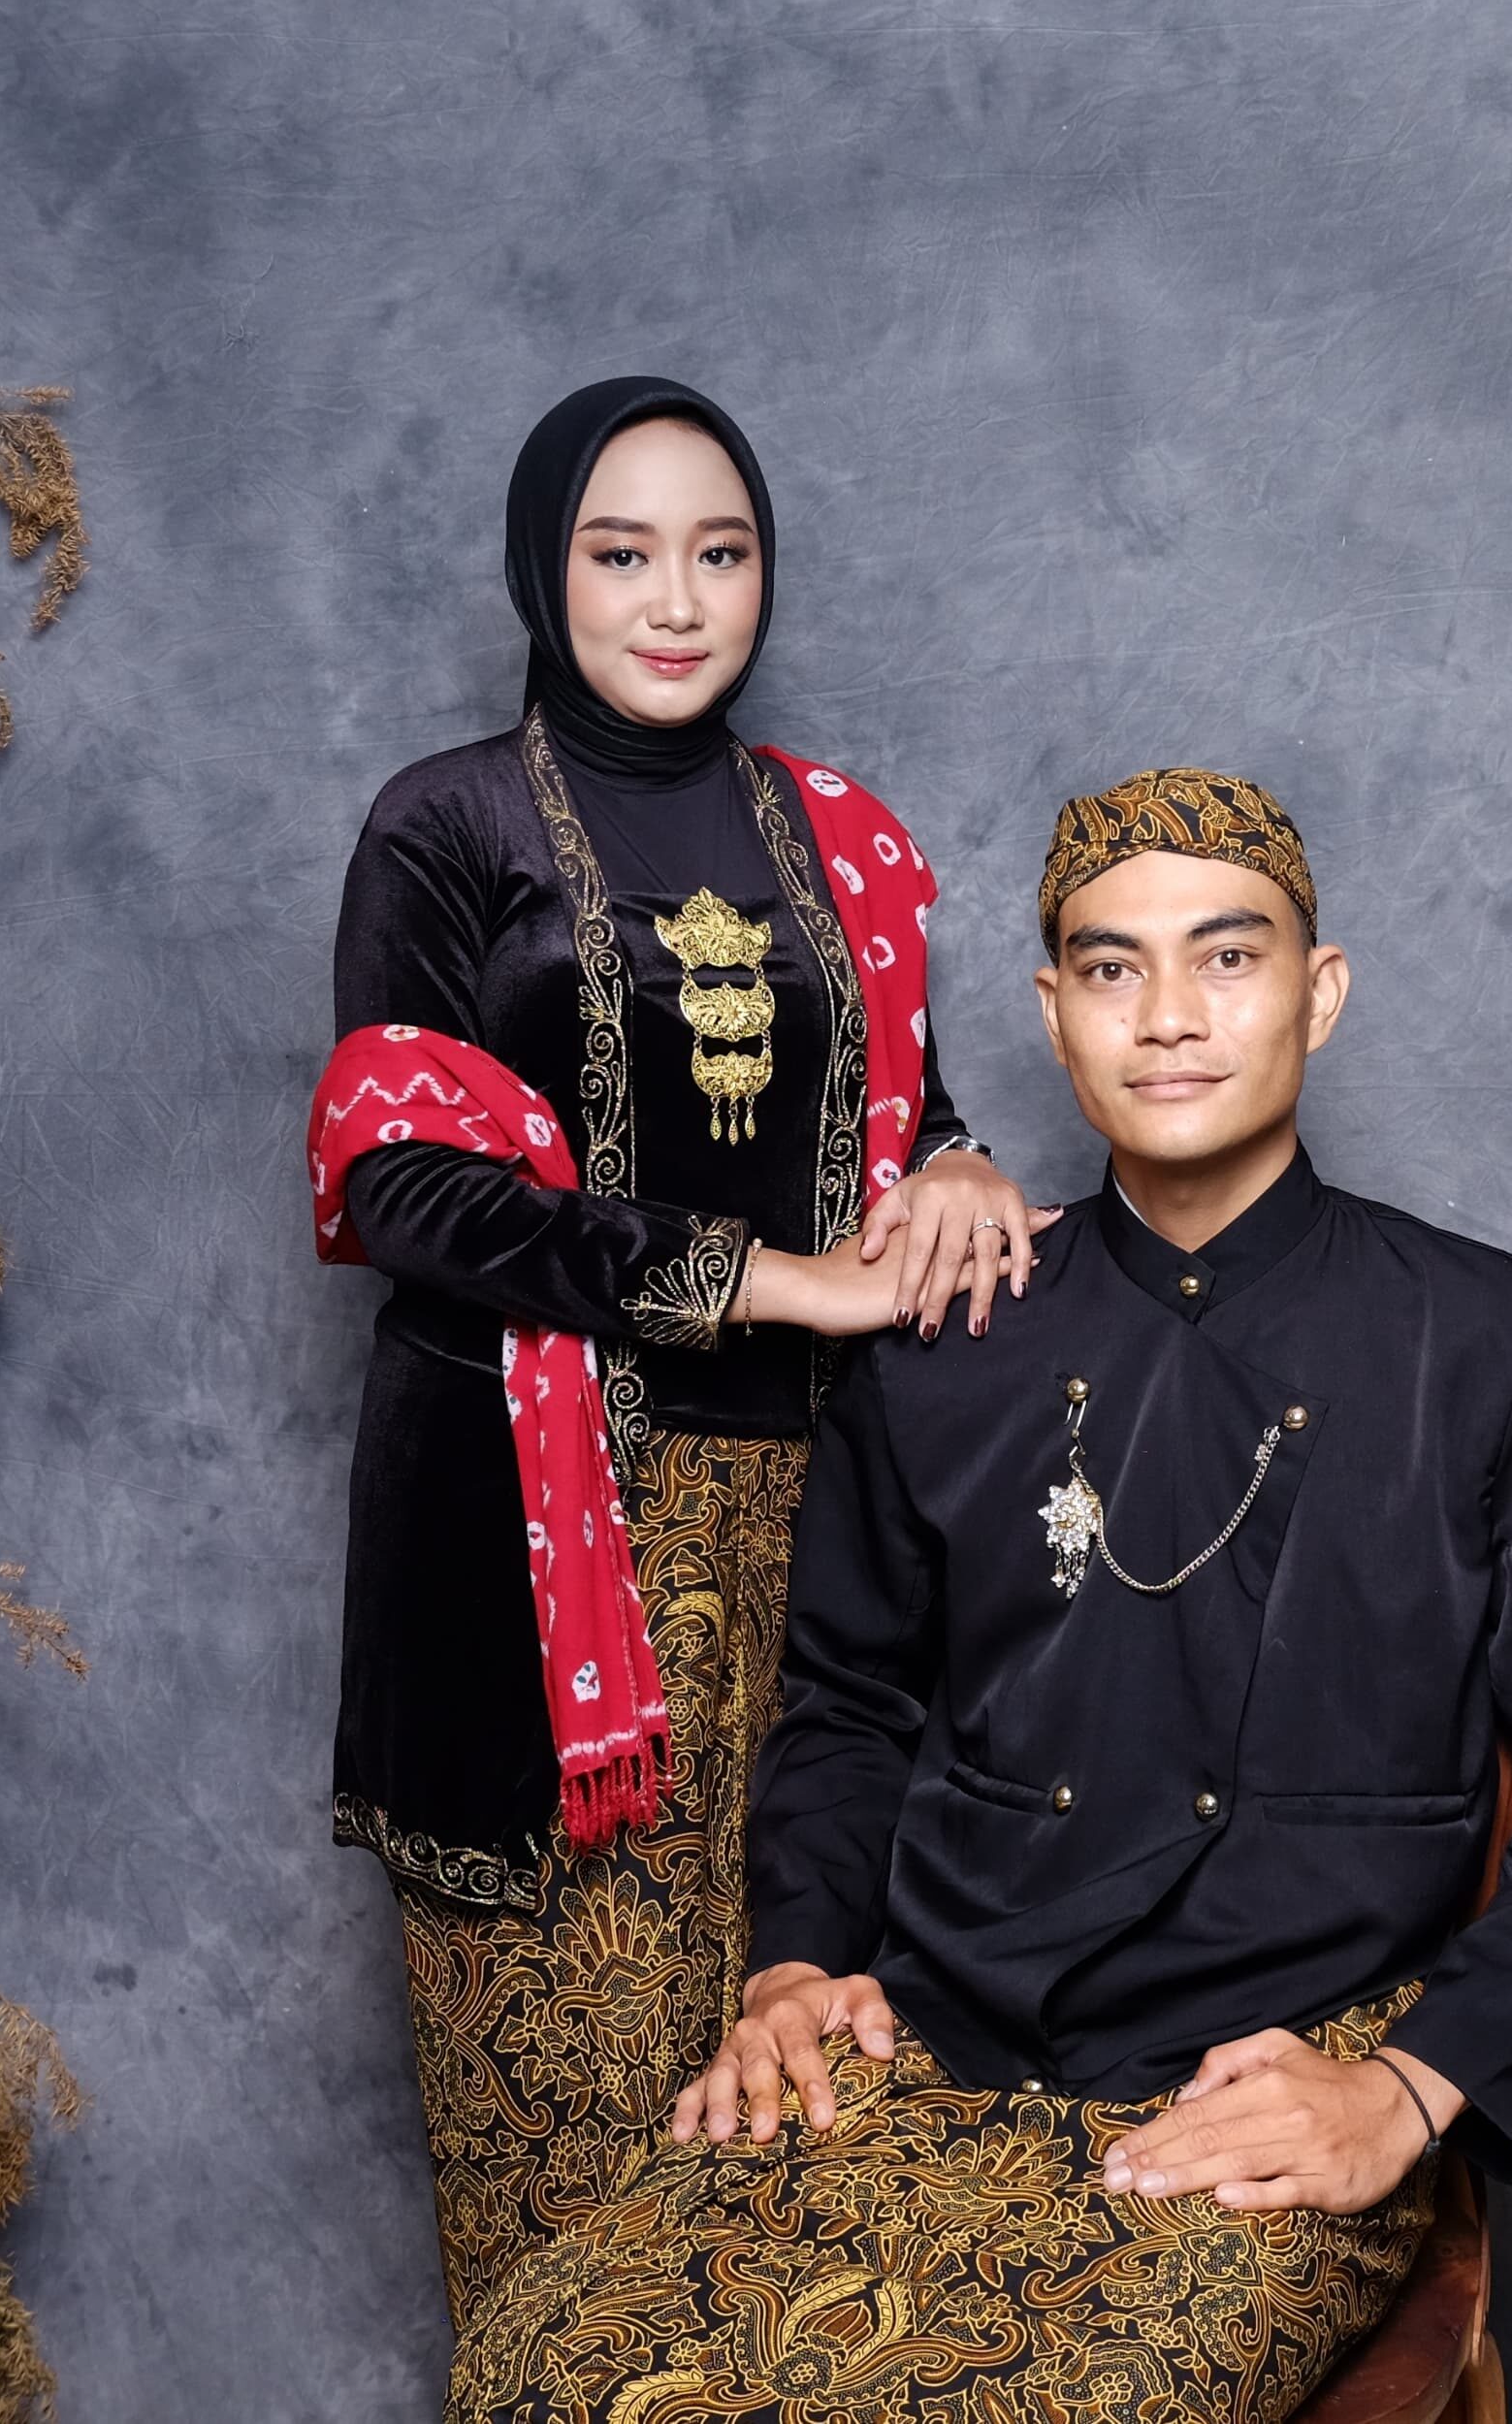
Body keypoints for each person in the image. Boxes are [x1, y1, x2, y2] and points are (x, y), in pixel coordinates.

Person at [445, 767, 1512, 2423]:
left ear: (1321, 994)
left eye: (1227, 956)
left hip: (1258, 2097)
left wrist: (1409, 2089)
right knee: (536, 2373)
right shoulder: (941, 1343)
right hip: (921, 2046)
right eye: (1112, 968)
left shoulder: (1487, 1340)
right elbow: (847, 1706)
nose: (1168, 1015)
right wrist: (794, 1969)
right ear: (1053, 1016)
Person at [308, 376, 1046, 2328]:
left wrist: (960, 1161)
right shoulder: (447, 827)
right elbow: (407, 1191)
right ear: (541, 571)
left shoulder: (838, 837)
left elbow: (888, 1123)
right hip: (535, 1555)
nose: (675, 599)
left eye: (720, 553)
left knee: (804, 2129)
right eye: (620, 552)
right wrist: (776, 1282)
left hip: (825, 1551)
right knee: (569, 2165)